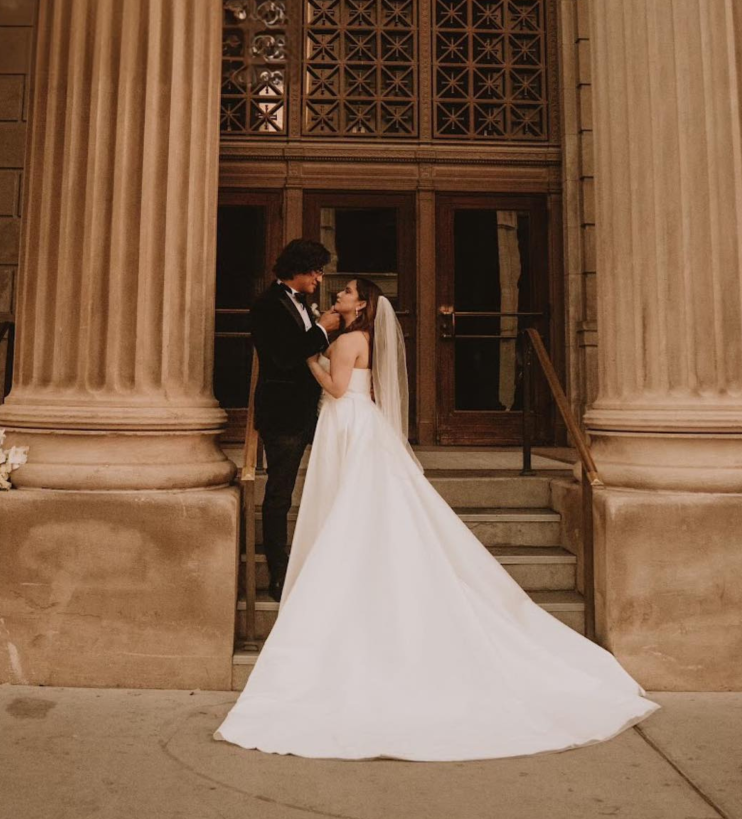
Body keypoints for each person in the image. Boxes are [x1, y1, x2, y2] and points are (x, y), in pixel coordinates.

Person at [215, 277, 659, 762]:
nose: (337, 296)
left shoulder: (346, 340)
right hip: (367, 426)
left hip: (346, 424)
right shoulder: (368, 339)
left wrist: (309, 362)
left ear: (361, 304)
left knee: (347, 508)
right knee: (371, 507)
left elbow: (339, 390)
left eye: (344, 292)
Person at [250, 239, 341, 602]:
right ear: (298, 270)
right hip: (283, 415)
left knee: (336, 480)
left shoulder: (303, 303)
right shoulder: (267, 306)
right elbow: (285, 357)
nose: (319, 278)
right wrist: (321, 330)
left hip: (314, 411)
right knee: (279, 494)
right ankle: (278, 569)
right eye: (316, 271)